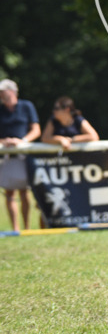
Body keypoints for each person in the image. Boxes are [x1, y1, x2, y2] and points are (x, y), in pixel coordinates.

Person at [0, 79, 41, 232]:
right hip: (6, 156)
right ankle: (15, 229)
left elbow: (36, 130)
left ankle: (27, 228)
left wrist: (22, 141)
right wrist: (4, 141)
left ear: (11, 91)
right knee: (9, 192)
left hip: (23, 153)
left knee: (24, 191)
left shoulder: (26, 106)